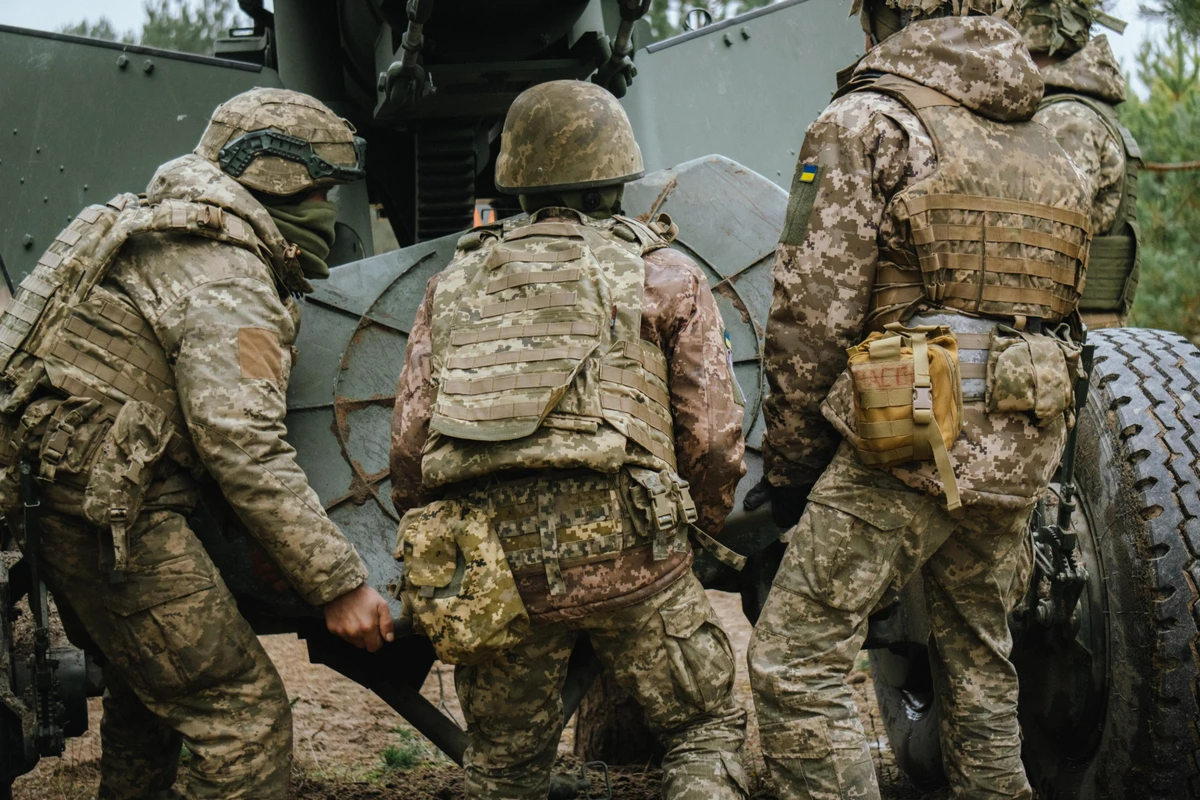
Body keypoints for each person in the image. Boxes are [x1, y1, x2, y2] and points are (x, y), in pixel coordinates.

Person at [0, 88, 394, 799]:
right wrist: (340, 583)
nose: (328, 209)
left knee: (149, 695)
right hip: (112, 516)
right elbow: (242, 444)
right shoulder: (228, 274)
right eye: (322, 190)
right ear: (279, 179)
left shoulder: (154, 228)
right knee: (243, 719)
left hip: (67, 499)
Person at [746, 1, 1092, 798]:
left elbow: (810, 314)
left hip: (909, 432)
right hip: (1024, 431)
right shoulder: (1050, 139)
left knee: (794, 660)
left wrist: (793, 469)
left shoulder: (864, 123)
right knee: (980, 661)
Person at [389, 79, 749, 800]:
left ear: (516, 182)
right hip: (631, 547)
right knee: (703, 732)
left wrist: (447, 537)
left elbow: (410, 445)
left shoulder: (453, 284)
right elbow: (711, 438)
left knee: (504, 771)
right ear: (617, 178)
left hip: (498, 558)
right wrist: (692, 531)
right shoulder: (663, 276)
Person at [1018, 0, 1142, 328]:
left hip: (1068, 331)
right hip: (1076, 326)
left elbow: (1053, 235)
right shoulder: (1073, 109)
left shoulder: (1064, 118)